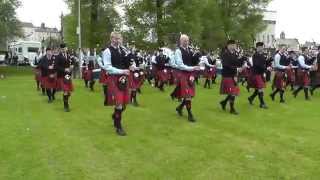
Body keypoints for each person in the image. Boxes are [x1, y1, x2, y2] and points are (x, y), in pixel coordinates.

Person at [102, 32, 131, 136]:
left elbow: (127, 63)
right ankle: (118, 127)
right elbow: (108, 67)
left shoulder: (123, 50)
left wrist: (131, 66)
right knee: (119, 103)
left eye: (119, 38)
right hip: (114, 78)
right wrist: (122, 71)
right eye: (115, 38)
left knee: (123, 104)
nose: (117, 40)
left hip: (123, 78)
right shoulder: (107, 51)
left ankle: (115, 115)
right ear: (111, 39)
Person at [174, 34, 201, 122]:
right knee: (188, 95)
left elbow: (192, 61)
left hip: (190, 74)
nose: (186, 42)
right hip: (183, 74)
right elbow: (180, 65)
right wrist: (192, 68)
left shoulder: (190, 50)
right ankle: (190, 115)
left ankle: (179, 108)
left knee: (189, 95)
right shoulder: (178, 51)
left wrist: (196, 56)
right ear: (181, 41)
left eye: (187, 41)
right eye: (185, 40)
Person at [219, 40, 242, 115]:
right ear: (228, 46)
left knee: (233, 92)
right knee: (232, 93)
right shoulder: (225, 54)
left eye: (234, 45)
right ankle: (232, 109)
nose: (234, 46)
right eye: (232, 45)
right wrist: (236, 69)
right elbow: (226, 65)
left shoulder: (235, 54)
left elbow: (237, 63)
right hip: (227, 75)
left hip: (233, 75)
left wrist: (241, 59)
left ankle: (224, 102)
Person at [247, 42, 268, 109]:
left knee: (257, 89)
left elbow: (264, 63)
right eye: (259, 47)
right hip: (256, 74)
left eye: (262, 47)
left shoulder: (262, 55)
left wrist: (268, 64)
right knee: (260, 88)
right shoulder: (255, 55)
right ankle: (262, 103)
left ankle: (251, 98)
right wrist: (265, 68)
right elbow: (257, 64)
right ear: (257, 48)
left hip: (260, 73)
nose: (261, 48)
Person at [56, 43, 74, 112]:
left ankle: (65, 101)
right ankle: (66, 106)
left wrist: (72, 66)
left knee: (68, 92)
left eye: (65, 48)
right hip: (61, 75)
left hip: (67, 75)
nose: (64, 50)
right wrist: (64, 69)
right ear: (61, 49)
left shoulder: (68, 55)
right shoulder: (58, 56)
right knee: (65, 90)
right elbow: (56, 67)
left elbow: (71, 62)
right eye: (63, 49)